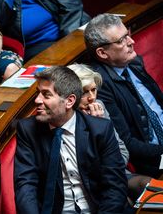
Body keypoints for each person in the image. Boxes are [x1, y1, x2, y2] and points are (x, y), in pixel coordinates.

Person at [14, 66, 127, 214]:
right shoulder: (27, 129)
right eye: (38, 93)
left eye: (46, 95)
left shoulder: (100, 129)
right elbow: (26, 184)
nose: (37, 100)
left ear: (69, 101)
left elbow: (115, 186)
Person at [85, 13, 163, 178]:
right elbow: (128, 143)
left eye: (128, 34)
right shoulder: (100, 86)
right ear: (102, 53)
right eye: (121, 40)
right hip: (154, 159)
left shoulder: (133, 62)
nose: (131, 42)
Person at [68, 63, 151, 201]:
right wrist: (96, 129)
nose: (91, 97)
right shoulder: (66, 117)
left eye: (93, 90)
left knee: (151, 187)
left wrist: (102, 125)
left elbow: (123, 151)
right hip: (89, 183)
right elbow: (85, 167)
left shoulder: (99, 106)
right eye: (84, 92)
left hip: (116, 173)